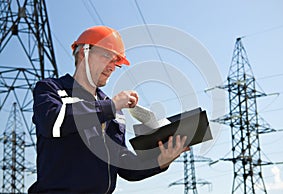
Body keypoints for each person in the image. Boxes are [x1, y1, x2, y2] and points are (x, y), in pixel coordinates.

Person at [28, 26, 189, 193]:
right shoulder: (52, 89)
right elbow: (54, 122)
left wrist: (160, 161)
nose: (112, 67)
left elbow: (123, 164)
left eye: (116, 62)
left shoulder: (113, 111)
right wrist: (111, 106)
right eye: (107, 57)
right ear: (84, 52)